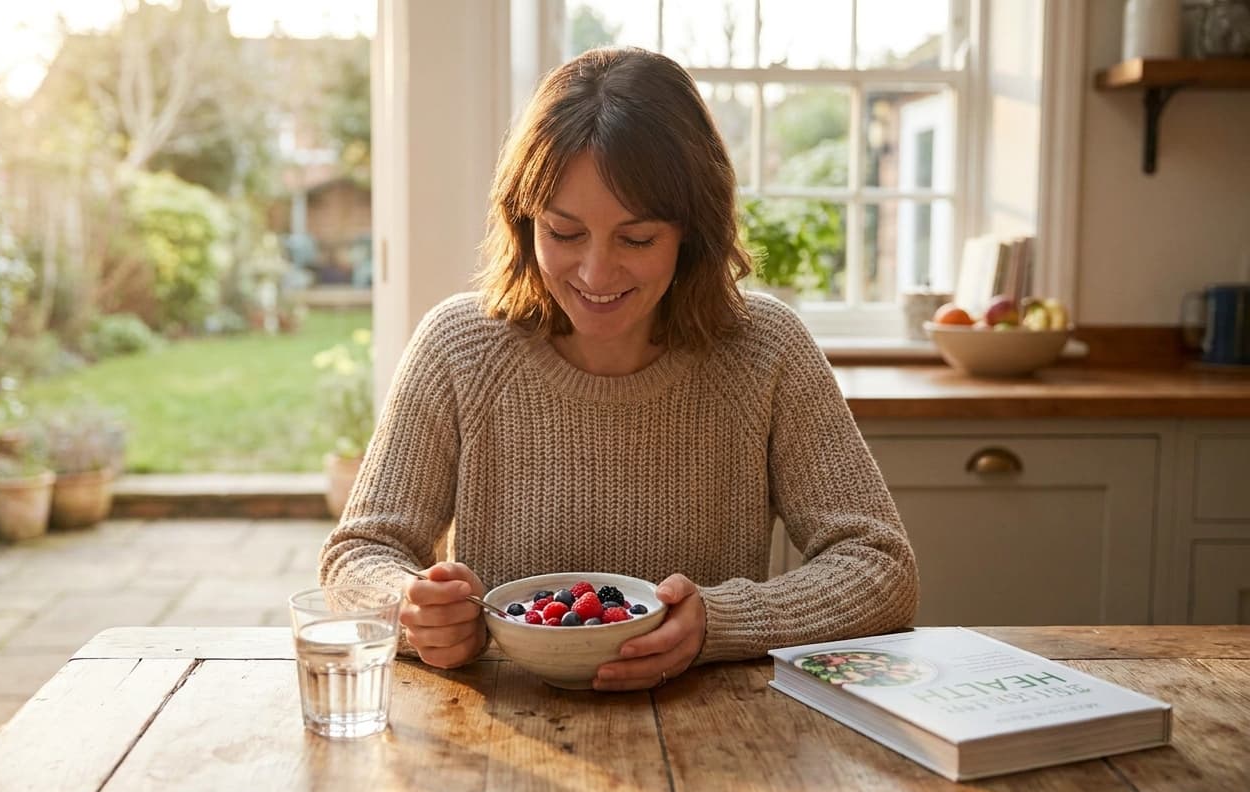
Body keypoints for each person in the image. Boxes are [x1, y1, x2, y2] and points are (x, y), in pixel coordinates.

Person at [319, 47, 917, 691]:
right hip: (504, 747)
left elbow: (880, 565)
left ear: (693, 231)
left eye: (636, 239)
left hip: (718, 739)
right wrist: (413, 610)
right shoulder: (459, 347)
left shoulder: (764, 351)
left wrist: (720, 622)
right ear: (524, 222)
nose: (596, 274)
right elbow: (359, 554)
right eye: (564, 232)